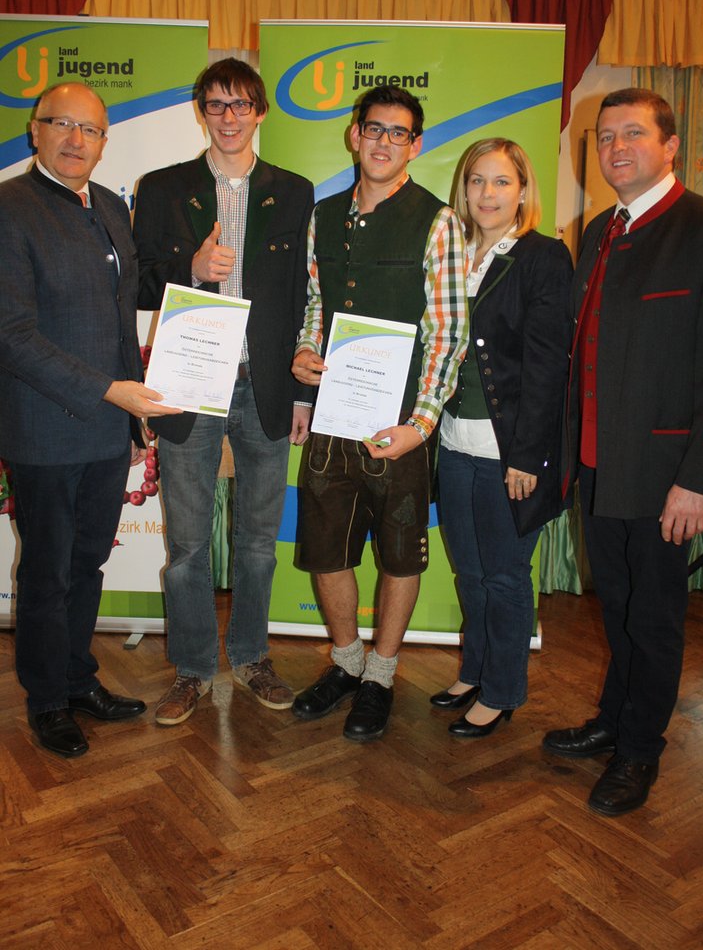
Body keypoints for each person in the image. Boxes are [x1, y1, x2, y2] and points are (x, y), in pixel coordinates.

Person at [543, 88, 703, 816]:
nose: (616, 148)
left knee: (654, 618)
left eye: (634, 134)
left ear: (671, 145)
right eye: (607, 136)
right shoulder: (599, 229)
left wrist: (699, 479)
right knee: (617, 608)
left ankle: (641, 749)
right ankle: (615, 719)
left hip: (666, 474)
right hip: (598, 464)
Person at [0, 82, 181, 758]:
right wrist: (112, 391)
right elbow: (12, 335)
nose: (77, 140)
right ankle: (47, 700)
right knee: (47, 574)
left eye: (92, 130)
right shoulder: (9, 210)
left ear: (105, 142)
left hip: (108, 428)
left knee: (88, 563)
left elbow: (119, 317)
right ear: (35, 131)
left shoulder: (107, 206)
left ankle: (78, 678)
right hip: (44, 430)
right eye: (63, 124)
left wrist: (132, 415)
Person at [133, 58, 314, 725]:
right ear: (201, 112)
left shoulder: (293, 192)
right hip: (189, 380)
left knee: (259, 541)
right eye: (216, 104)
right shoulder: (163, 188)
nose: (229, 117)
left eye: (241, 104)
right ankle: (191, 669)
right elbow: (138, 283)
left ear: (260, 111)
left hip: (264, 386)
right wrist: (191, 267)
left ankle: (251, 656)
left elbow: (305, 296)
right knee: (186, 547)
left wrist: (303, 396)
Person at [291, 85, 468, 742]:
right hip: (334, 414)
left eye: (399, 133)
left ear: (415, 145)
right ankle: (346, 663)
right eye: (374, 129)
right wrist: (305, 350)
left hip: (403, 424)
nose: (384, 142)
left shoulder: (438, 221)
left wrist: (420, 425)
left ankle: (382, 676)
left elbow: (448, 333)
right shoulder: (322, 215)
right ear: (354, 134)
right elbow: (316, 302)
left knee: (399, 557)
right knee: (326, 549)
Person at [432, 138, 573, 738]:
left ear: (522, 190)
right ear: (463, 189)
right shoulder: (450, 254)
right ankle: (476, 670)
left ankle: (503, 690)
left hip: (507, 453)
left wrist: (528, 457)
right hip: (452, 443)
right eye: (477, 181)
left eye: (501, 182)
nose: (487, 194)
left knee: (505, 576)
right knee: (469, 572)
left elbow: (548, 364)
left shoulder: (543, 257)